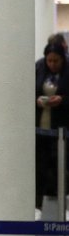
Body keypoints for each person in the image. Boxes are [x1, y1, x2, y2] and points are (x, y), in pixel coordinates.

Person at [35, 42, 69, 220]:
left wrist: (62, 100)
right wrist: (37, 100)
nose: (52, 64)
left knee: (63, 169)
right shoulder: (39, 68)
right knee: (39, 169)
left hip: (63, 131)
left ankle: (65, 211)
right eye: (49, 60)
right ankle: (36, 210)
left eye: (56, 61)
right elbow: (30, 90)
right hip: (41, 130)